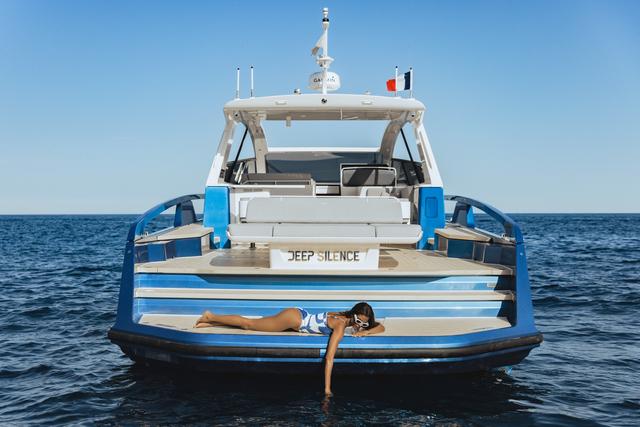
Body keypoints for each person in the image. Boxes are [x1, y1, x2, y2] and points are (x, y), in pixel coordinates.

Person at [194, 302, 385, 396]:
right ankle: (211, 316)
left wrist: (366, 332)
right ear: (353, 315)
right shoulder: (340, 326)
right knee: (249, 324)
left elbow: (381, 326)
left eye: (363, 323)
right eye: (358, 321)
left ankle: (211, 323)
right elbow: (329, 358)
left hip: (298, 315)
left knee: (253, 324)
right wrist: (327, 389)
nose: (359, 325)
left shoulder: (345, 316)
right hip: (293, 319)